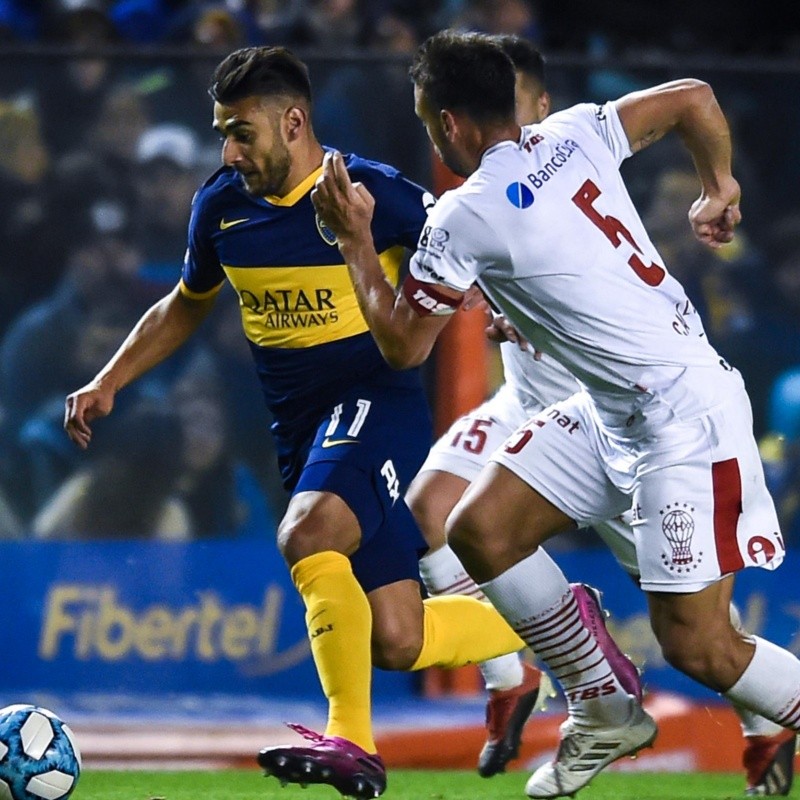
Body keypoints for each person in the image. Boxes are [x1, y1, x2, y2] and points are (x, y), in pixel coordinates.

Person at [63, 45, 568, 800]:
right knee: (398, 637)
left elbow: (473, 244)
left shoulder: (371, 192)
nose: (228, 151)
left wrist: (506, 311)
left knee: (307, 532)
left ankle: (351, 743)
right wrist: (110, 380)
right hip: (301, 429)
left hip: (379, 402)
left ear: (294, 122)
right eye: (220, 134)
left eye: (240, 132)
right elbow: (186, 302)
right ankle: (559, 625)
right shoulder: (221, 207)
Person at [310, 29, 800, 799]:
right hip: (611, 412)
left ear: (448, 125)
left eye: (426, 118)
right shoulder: (573, 132)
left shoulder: (464, 215)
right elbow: (695, 98)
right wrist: (720, 184)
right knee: (478, 527)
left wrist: (355, 243)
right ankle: (604, 707)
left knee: (699, 648)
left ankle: (745, 713)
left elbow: (404, 346)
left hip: (683, 421)